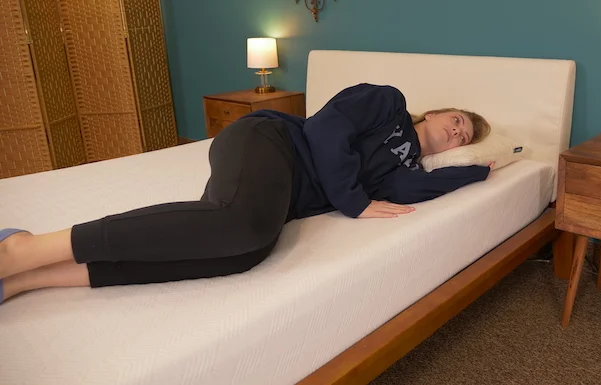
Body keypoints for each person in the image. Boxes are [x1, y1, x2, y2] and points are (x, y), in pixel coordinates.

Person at [0, 83, 494, 304]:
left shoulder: (405, 170)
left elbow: (419, 187)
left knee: (245, 250)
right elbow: (326, 130)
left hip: (277, 195)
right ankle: (23, 249)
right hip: (269, 142)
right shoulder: (388, 102)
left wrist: (482, 170)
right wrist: (356, 202)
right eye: (458, 121)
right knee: (241, 224)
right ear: (435, 112)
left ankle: (30, 280)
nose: (458, 133)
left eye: (466, 136)